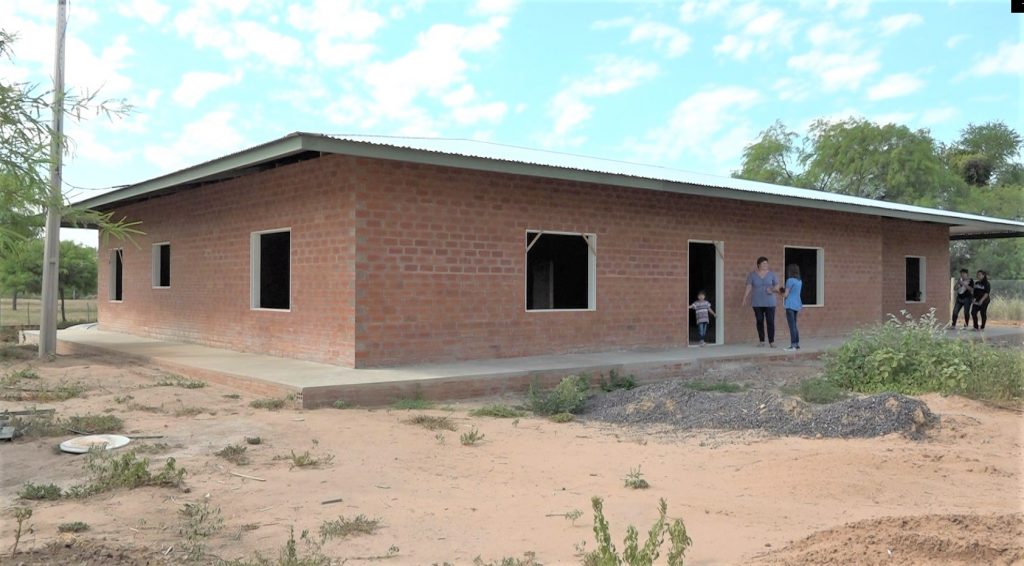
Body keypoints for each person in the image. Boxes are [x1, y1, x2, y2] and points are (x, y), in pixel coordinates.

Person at [742, 256, 780, 347]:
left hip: (770, 302)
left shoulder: (772, 274)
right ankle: (762, 340)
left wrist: (772, 290)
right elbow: (749, 286)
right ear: (758, 264)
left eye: (767, 263)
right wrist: (744, 298)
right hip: (757, 302)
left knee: (770, 321)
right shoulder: (752, 275)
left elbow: (777, 286)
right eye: (763, 263)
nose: (765, 265)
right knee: (759, 320)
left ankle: (772, 341)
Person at [781, 264, 802, 351]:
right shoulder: (799, 281)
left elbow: (785, 295)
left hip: (790, 304)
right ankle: (796, 344)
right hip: (797, 304)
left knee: (792, 326)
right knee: (794, 325)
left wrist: (777, 291)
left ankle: (793, 345)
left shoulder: (789, 280)